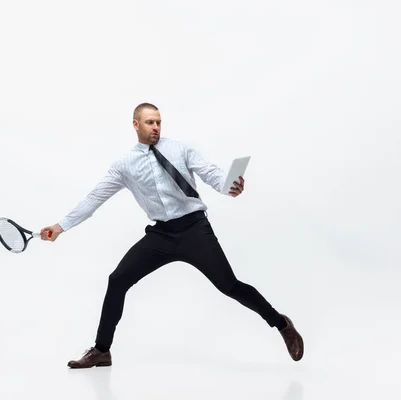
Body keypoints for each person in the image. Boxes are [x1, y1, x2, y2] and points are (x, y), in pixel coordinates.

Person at [40, 103, 304, 368]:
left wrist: (229, 186)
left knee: (229, 286)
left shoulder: (179, 148)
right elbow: (95, 198)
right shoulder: (124, 165)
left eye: (158, 122)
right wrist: (60, 227)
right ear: (135, 125)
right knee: (117, 280)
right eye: (149, 123)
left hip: (194, 229)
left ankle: (281, 324)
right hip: (161, 235)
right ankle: (102, 350)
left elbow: (211, 173)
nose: (155, 127)